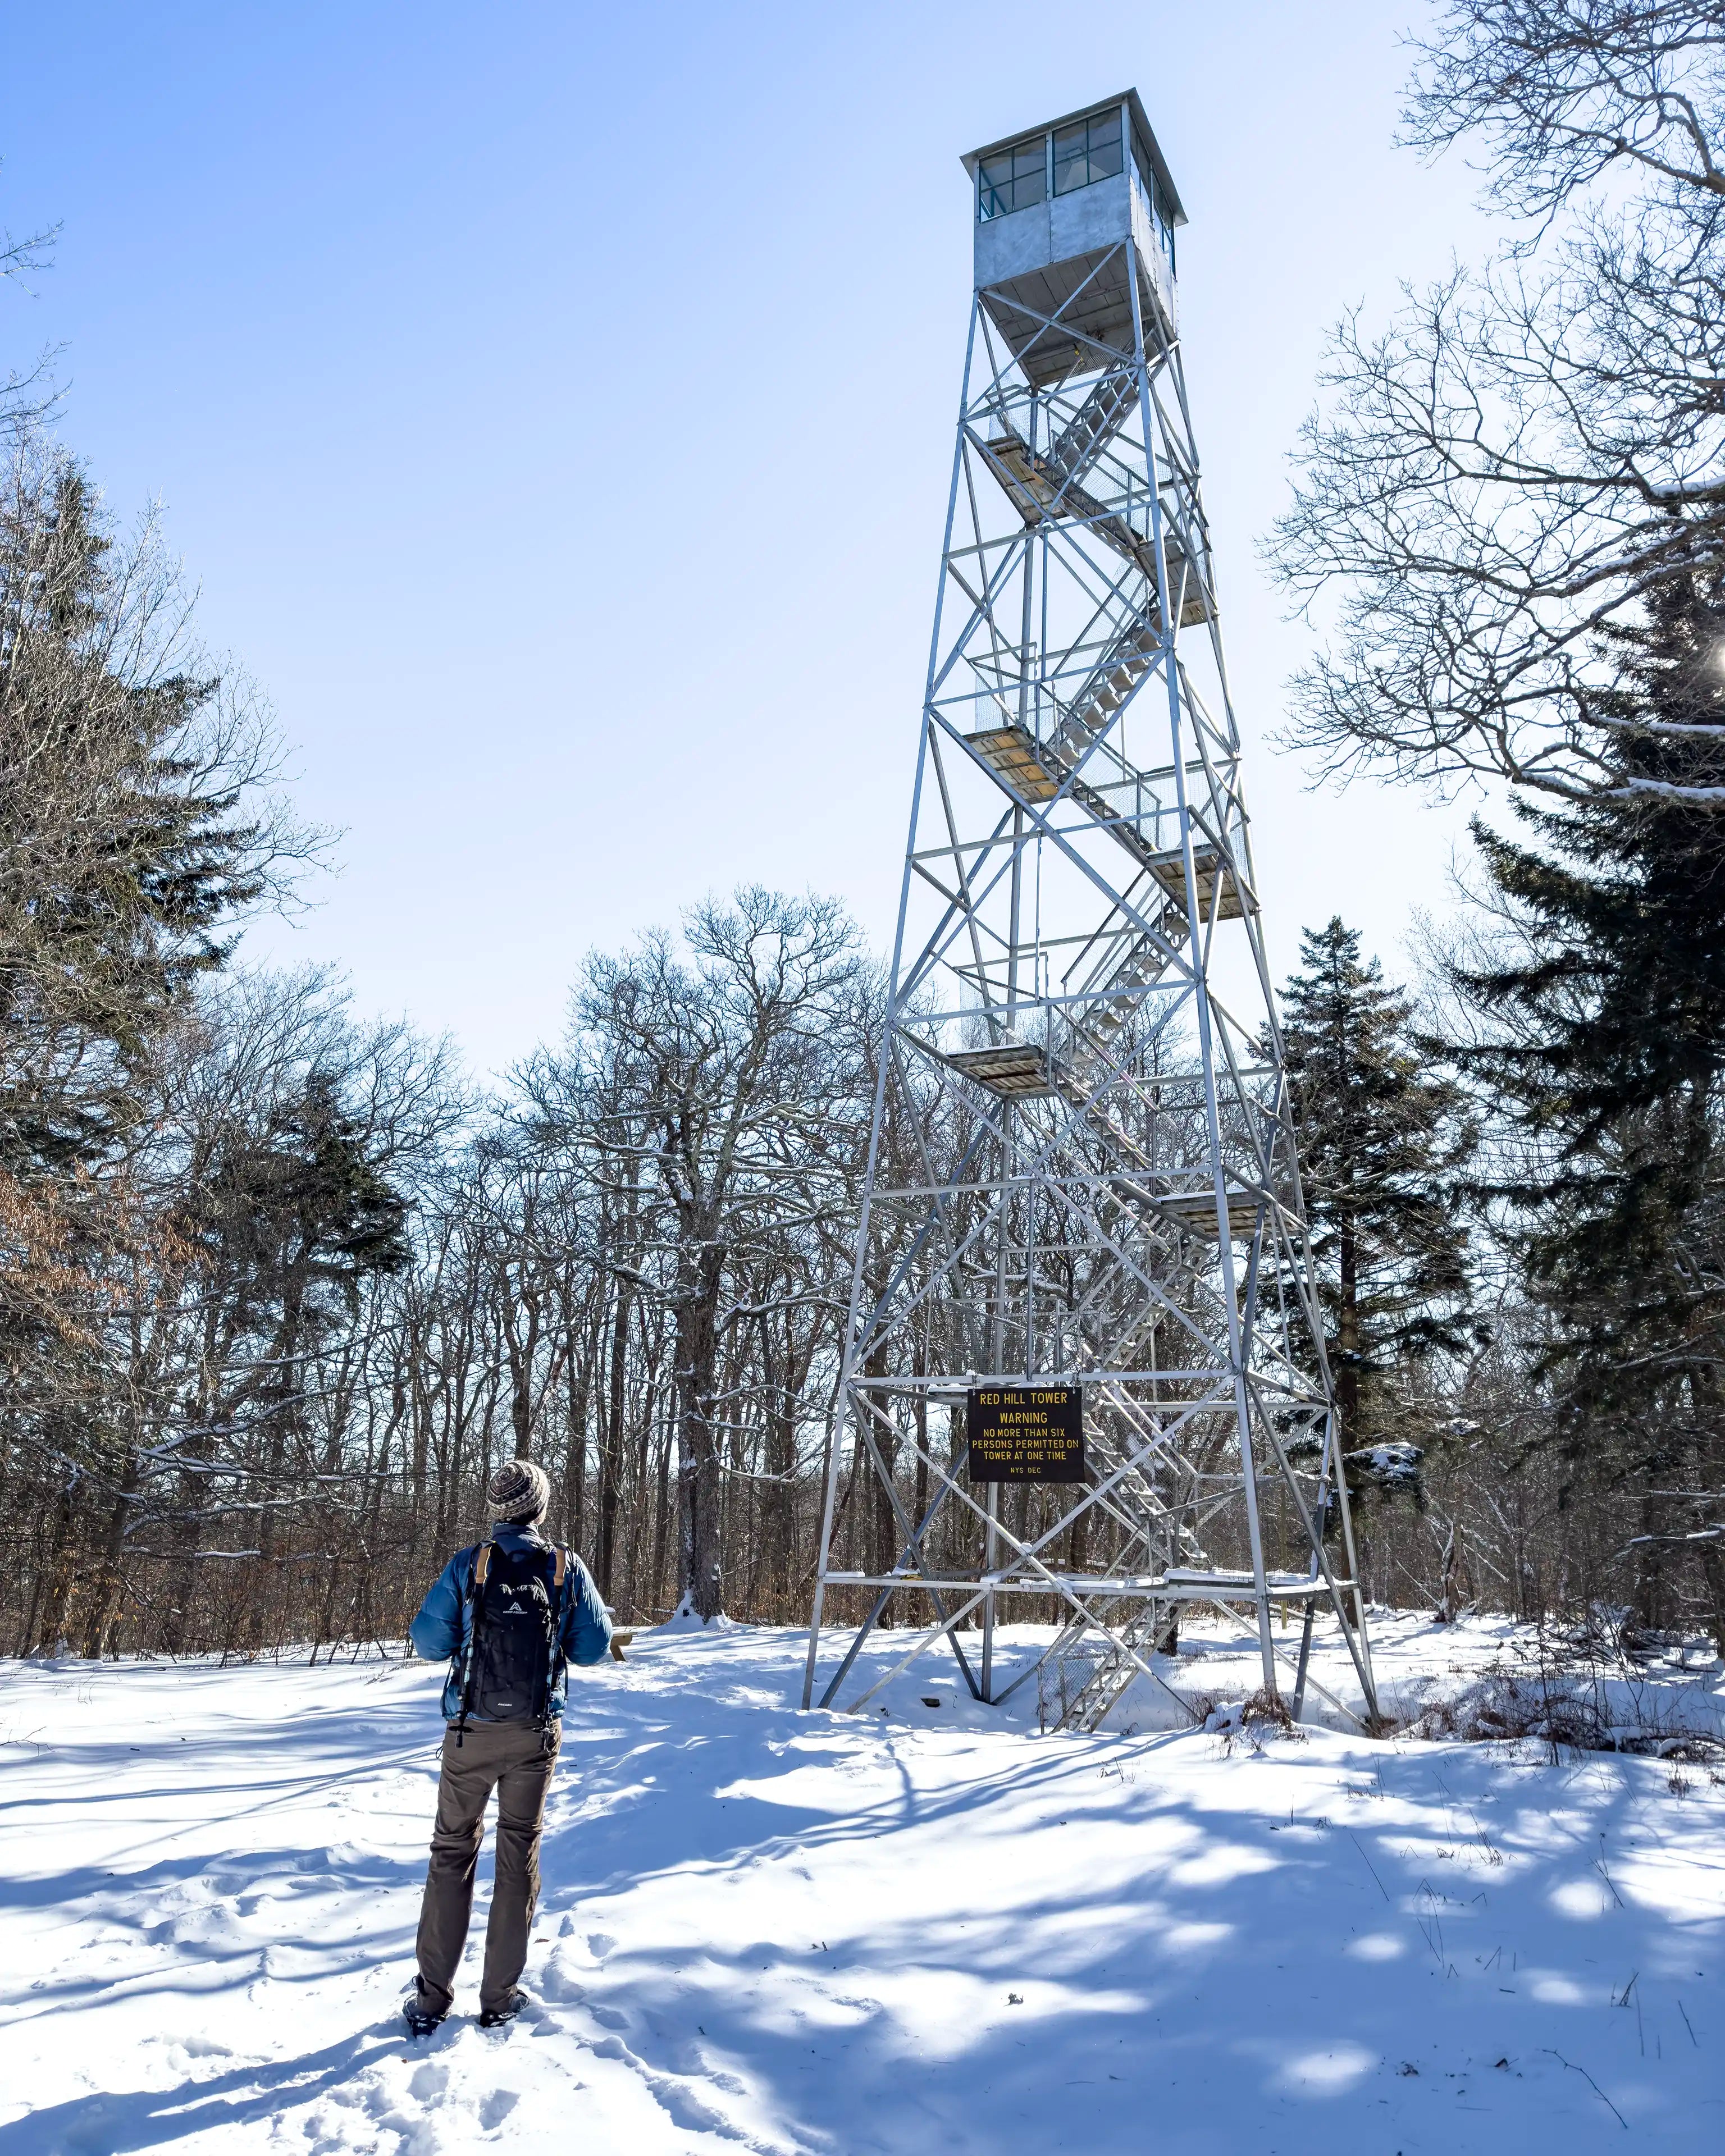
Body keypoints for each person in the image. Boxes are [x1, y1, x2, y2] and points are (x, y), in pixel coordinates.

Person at [404, 1456, 614, 2035]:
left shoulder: (470, 1565)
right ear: (540, 1508)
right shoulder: (563, 1567)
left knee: (451, 1853)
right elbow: (594, 1648)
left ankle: (430, 2001)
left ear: (497, 1510)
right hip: (534, 1734)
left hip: (469, 1733)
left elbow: (427, 1643)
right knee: (518, 1852)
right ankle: (498, 1997)